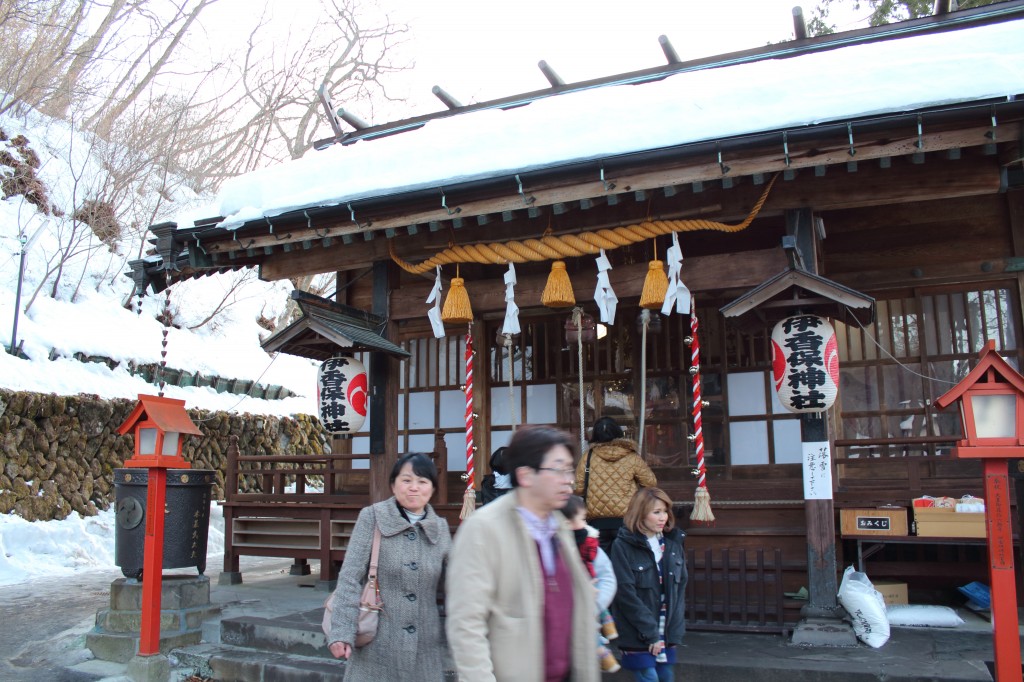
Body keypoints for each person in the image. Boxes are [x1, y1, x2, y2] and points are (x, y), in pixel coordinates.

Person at [446, 425, 600, 682]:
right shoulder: (484, 529)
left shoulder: (560, 526)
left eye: (569, 470)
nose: (568, 480)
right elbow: (466, 625)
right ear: (526, 475)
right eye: (558, 469)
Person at [325, 452, 452, 682]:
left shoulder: (440, 528)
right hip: (376, 648)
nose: (414, 487)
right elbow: (350, 577)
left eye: (422, 481)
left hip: (425, 653)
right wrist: (341, 632)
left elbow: (458, 582)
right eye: (406, 480)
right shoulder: (372, 517)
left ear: (432, 489)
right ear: (393, 485)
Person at [609, 487, 687, 682]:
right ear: (641, 514)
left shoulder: (673, 544)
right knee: (648, 677)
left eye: (665, 511)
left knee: (666, 676)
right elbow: (625, 593)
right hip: (637, 630)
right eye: (656, 512)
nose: (663, 517)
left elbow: (680, 590)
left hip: (666, 630)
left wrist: (675, 629)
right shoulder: (623, 545)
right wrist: (650, 633)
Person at [575, 416, 657, 554]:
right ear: (618, 432)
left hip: (597, 523)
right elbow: (651, 482)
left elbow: (578, 489)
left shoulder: (588, 457)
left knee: (601, 562)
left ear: (595, 435)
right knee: (625, 561)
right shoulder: (631, 456)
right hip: (626, 521)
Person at [560, 495, 621, 674]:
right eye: (581, 519)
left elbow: (606, 577)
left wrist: (593, 606)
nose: (585, 523)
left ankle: (604, 633)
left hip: (587, 612)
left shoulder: (589, 543)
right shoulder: (549, 545)